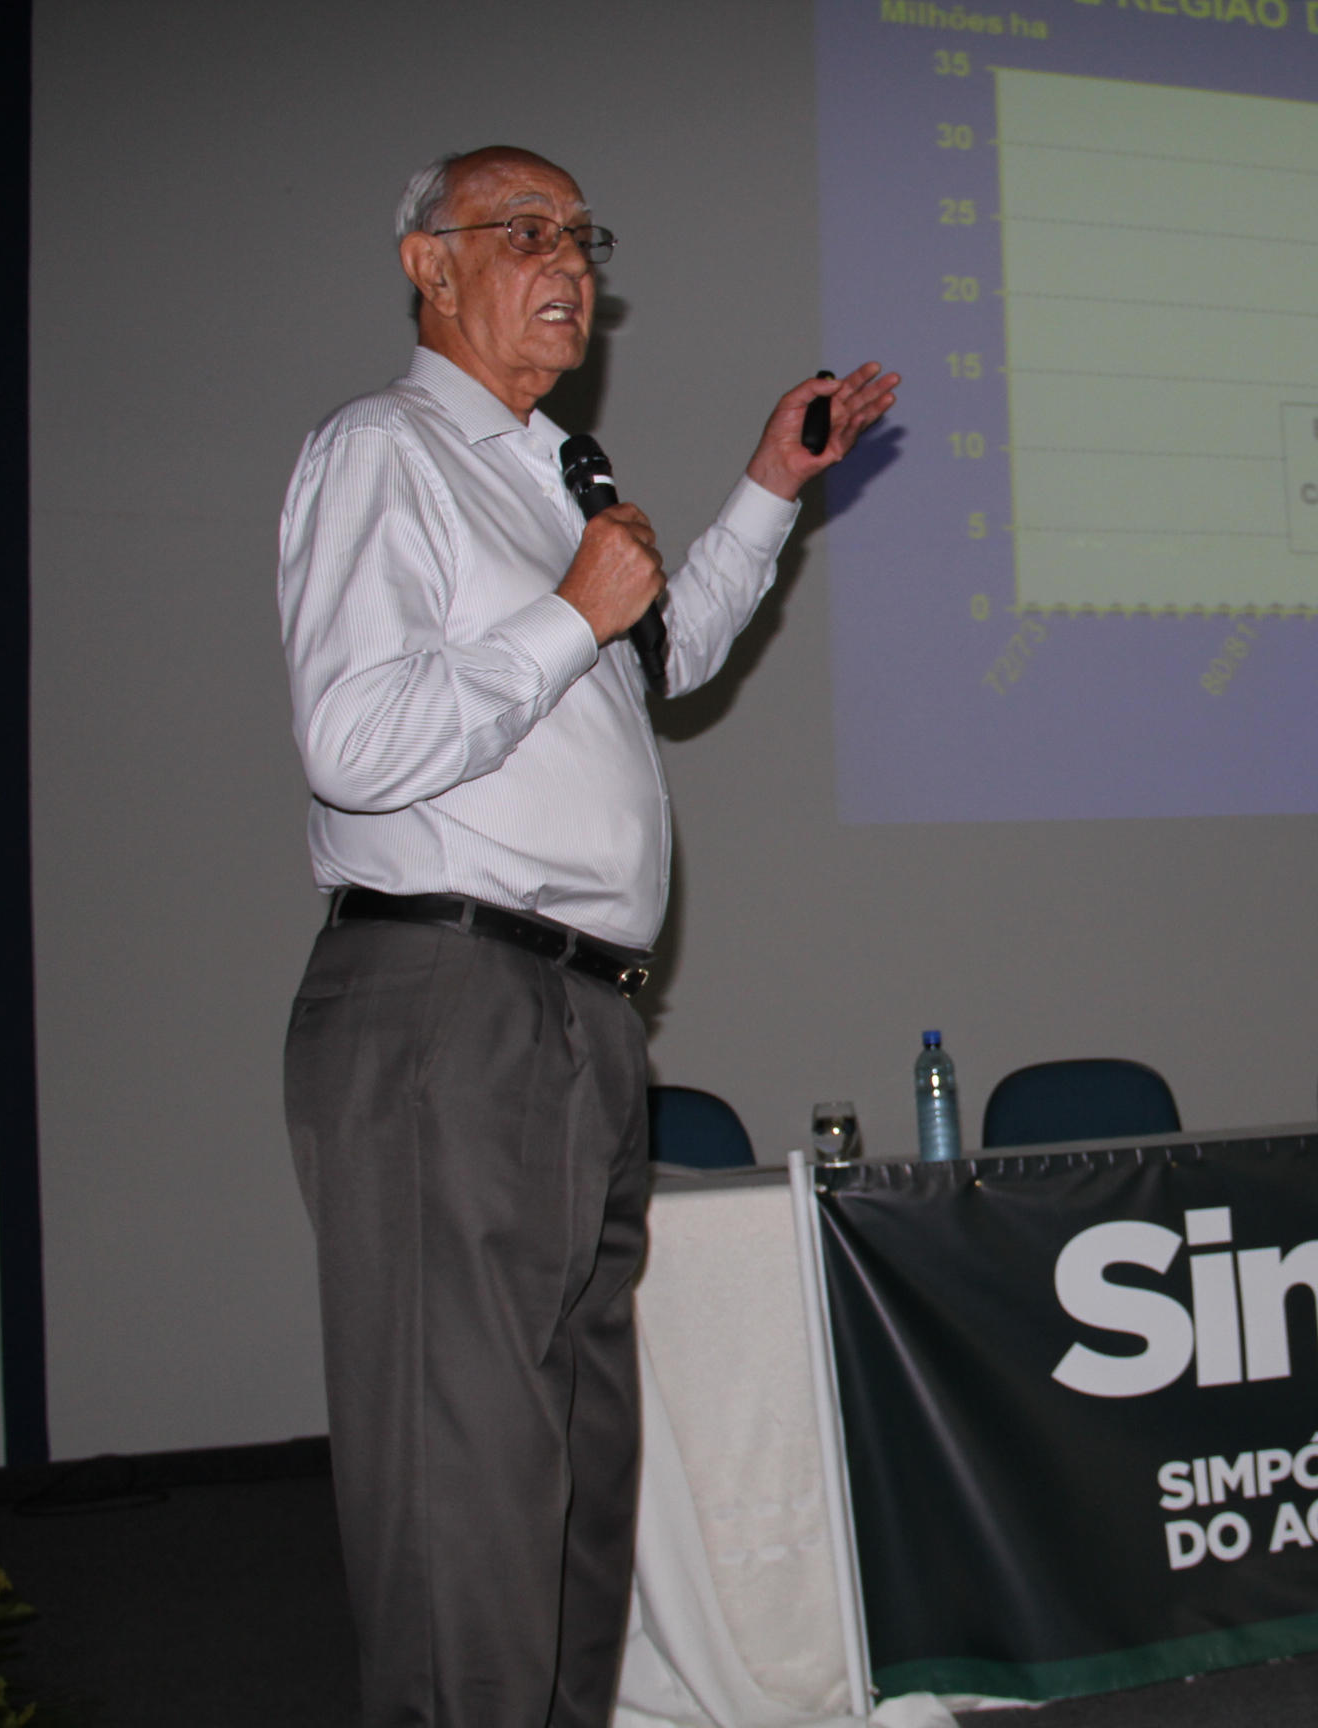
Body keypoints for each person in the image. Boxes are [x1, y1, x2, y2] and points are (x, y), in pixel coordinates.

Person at [276, 145, 897, 1727]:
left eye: (582, 237)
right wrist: (569, 613)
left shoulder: (560, 469)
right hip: (448, 998)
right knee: (467, 1482)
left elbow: (666, 655)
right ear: (430, 266)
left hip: (581, 1018)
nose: (571, 265)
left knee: (572, 1471)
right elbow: (354, 742)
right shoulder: (386, 452)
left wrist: (769, 485)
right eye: (527, 232)